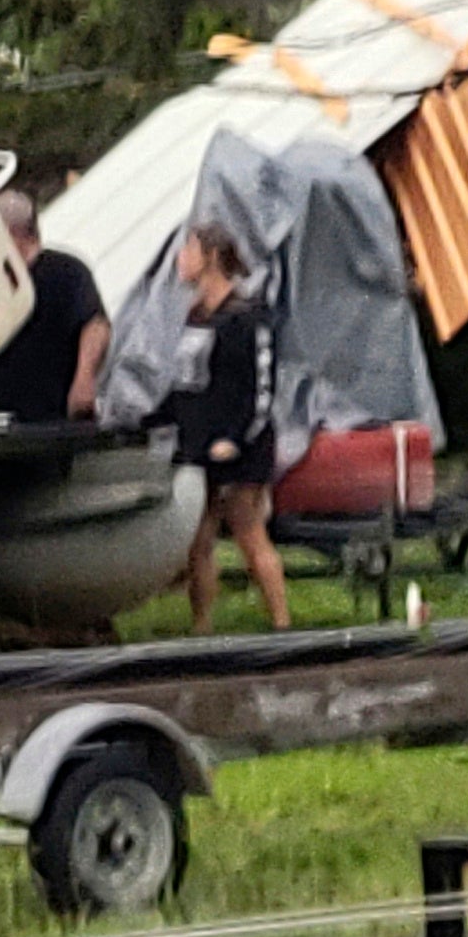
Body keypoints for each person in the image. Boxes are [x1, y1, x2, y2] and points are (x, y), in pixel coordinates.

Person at [171, 219, 289, 633]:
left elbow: (260, 387)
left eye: (189, 250)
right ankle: (201, 625)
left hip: (242, 442)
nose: (180, 259)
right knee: (197, 540)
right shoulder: (193, 317)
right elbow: (185, 383)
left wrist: (237, 438)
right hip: (199, 443)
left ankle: (281, 622)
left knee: (247, 530)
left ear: (212, 258)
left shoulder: (245, 317)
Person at [0, 192, 107, 423]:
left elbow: (95, 325)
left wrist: (84, 381)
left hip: (56, 413)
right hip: (1, 414)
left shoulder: (66, 272)